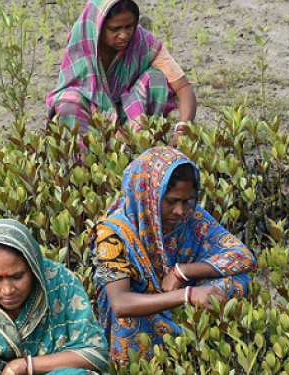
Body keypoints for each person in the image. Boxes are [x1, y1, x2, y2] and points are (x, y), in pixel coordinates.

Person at [89, 147, 255, 361]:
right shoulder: (112, 233)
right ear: (148, 196)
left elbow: (242, 257)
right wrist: (187, 296)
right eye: (171, 202)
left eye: (186, 201)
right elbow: (120, 304)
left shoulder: (189, 216)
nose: (180, 211)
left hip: (177, 301)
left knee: (237, 281)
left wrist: (182, 272)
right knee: (129, 321)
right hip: (140, 315)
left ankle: (199, 353)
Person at [0, 219, 110, 374]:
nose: (8, 290)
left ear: (33, 267)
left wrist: (25, 366)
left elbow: (95, 354)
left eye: (17, 277)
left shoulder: (60, 285)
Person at [46, 0, 197, 146]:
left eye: (129, 27)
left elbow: (183, 87)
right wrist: (111, 128)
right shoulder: (84, 43)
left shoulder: (143, 42)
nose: (124, 35)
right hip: (91, 119)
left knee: (156, 79)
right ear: (99, 26)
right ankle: (82, 162)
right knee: (69, 102)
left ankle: (145, 143)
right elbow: (77, 92)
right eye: (115, 29)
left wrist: (182, 130)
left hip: (128, 114)